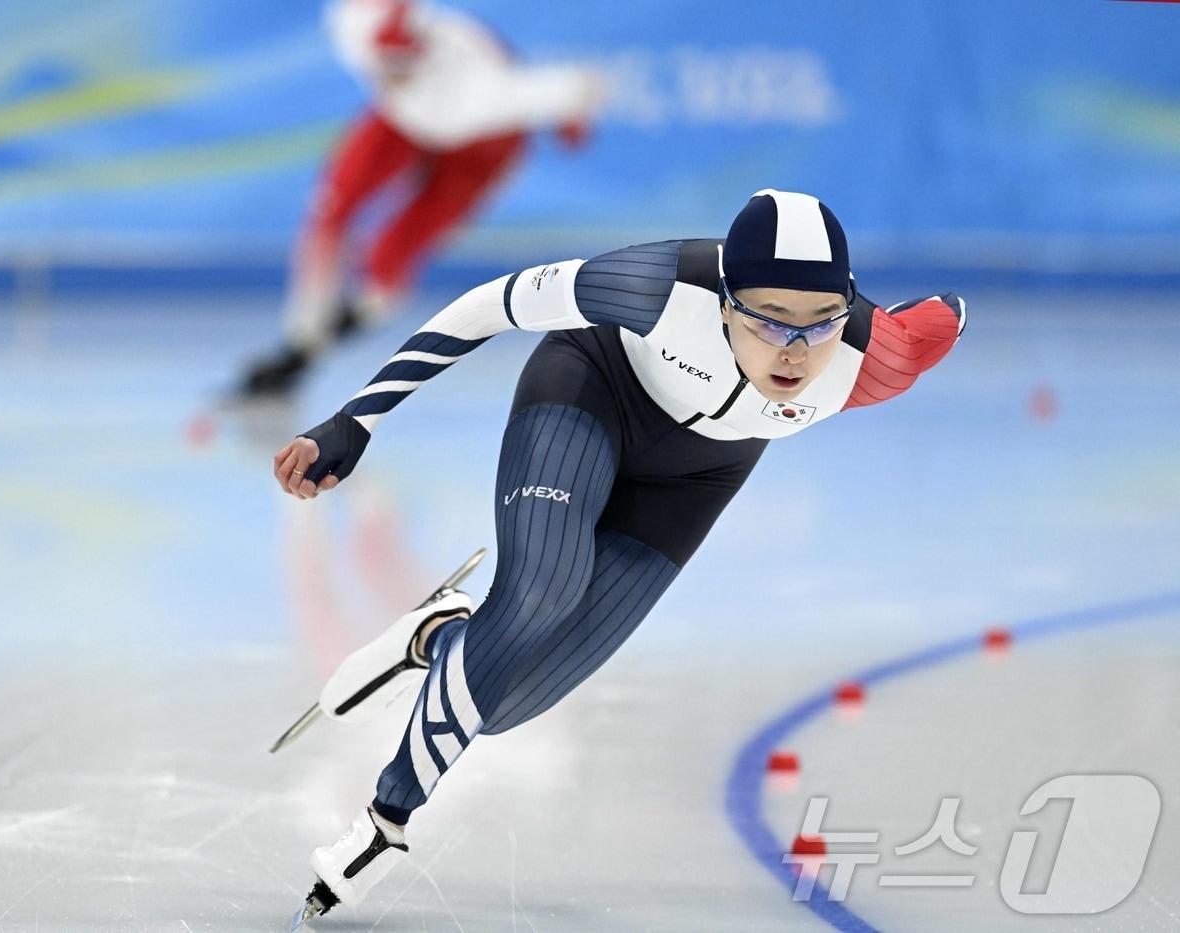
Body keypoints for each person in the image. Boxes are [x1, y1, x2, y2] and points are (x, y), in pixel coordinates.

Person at [273, 189, 967, 924]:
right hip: (589, 394)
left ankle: (435, 638)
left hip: (699, 478)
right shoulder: (657, 287)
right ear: (726, 300)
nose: (794, 349)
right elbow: (487, 305)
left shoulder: (873, 358)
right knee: (542, 589)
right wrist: (358, 417)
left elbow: (945, 315)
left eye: (819, 321)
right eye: (770, 317)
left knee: (504, 703)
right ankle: (384, 821)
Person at [232, 0, 604, 398]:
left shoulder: (487, 95)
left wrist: (573, 120)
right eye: (386, 68)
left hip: (484, 145)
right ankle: (299, 341)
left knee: (391, 258)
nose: (392, 73)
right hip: (402, 120)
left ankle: (312, 348)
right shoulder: (352, 25)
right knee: (330, 209)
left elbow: (579, 85)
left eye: (398, 63)